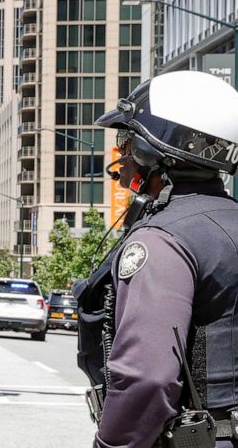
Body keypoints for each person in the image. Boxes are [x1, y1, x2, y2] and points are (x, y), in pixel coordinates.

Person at [76, 70, 238, 448]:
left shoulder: (163, 240)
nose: (122, 156)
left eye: (128, 142)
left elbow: (147, 378)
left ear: (156, 151)